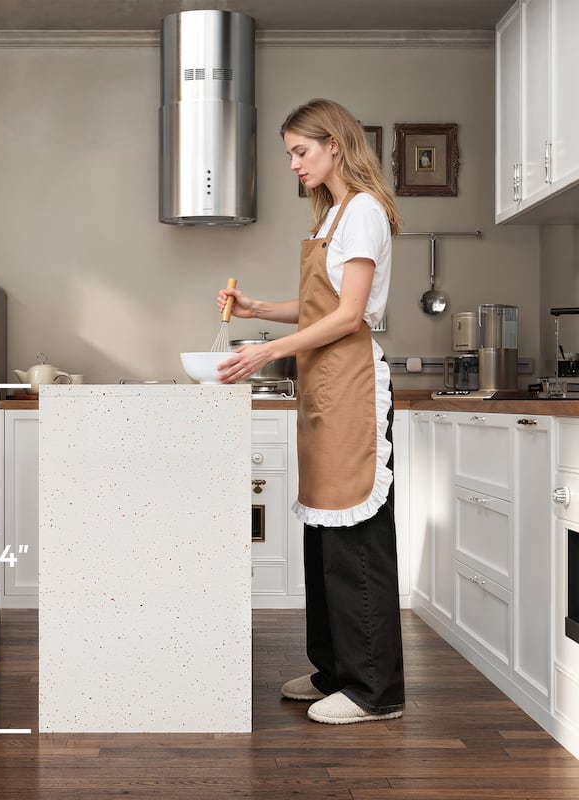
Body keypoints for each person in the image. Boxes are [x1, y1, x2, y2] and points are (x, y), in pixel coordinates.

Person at [217, 98, 405, 725]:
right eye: (290, 154)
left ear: (335, 144)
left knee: (357, 539)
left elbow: (348, 317)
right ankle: (335, 672)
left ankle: (375, 691)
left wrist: (265, 351)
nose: (293, 164)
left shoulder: (364, 213)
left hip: (350, 382)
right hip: (325, 386)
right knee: (325, 535)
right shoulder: (333, 218)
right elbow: (317, 308)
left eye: (301, 151)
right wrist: (254, 311)